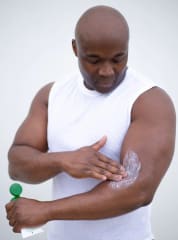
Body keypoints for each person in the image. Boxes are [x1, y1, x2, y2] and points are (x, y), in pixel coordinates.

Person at [5, 5, 176, 240]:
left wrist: (46, 210)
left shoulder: (149, 101)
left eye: (118, 58)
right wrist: (63, 160)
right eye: (93, 60)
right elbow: (17, 165)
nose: (107, 71)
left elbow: (139, 191)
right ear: (75, 48)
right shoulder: (52, 95)